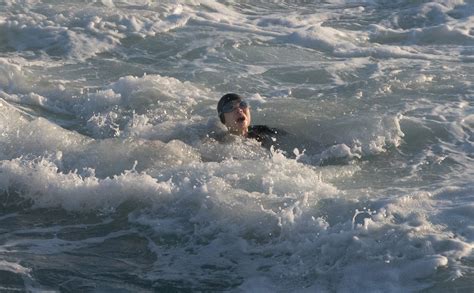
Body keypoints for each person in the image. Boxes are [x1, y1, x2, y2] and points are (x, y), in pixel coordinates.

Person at [216, 93, 286, 150]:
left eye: (242, 104)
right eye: (230, 107)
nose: (239, 110)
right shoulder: (217, 143)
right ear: (223, 119)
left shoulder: (266, 131)